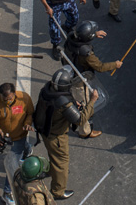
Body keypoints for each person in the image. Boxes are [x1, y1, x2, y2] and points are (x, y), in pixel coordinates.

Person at [34, 66, 99, 200]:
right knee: (62, 163)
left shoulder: (47, 91)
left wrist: (74, 103)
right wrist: (92, 101)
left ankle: (52, 171)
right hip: (56, 137)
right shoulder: (62, 102)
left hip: (45, 131)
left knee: (54, 157)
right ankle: (58, 191)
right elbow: (80, 120)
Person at [63, 20, 120, 137]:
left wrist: (94, 34)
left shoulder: (71, 38)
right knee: (84, 105)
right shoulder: (86, 54)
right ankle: (85, 131)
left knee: (75, 99)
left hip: (69, 72)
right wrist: (115, 64)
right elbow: (100, 66)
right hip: (78, 81)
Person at [0, 83, 35, 204]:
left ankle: (7, 192)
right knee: (20, 154)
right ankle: (27, 150)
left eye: (10, 98)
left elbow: (30, 113)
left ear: (14, 94)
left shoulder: (24, 98)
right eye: (5, 99)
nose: (8, 101)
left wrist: (27, 123)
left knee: (12, 165)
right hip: (6, 136)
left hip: (20, 135)